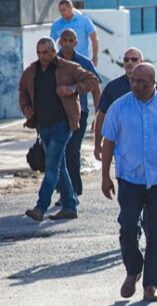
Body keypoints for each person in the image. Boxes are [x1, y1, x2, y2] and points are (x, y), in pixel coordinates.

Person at [100, 63, 157, 302]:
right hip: (129, 179)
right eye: (133, 81)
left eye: (143, 82)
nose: (137, 86)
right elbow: (108, 142)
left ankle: (150, 284)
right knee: (128, 227)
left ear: (154, 82)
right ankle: (134, 269)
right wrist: (105, 176)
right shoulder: (118, 108)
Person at [20, 37, 99, 222]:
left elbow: (92, 81)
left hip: (62, 125)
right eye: (39, 52)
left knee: (51, 164)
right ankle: (70, 205)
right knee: (59, 165)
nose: (42, 56)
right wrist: (26, 109)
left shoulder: (68, 67)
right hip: (42, 126)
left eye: (46, 52)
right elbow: (23, 91)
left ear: (53, 51)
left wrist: (72, 88)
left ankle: (40, 207)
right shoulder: (32, 71)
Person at [94, 47, 157, 161]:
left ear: (141, 62)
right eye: (126, 60)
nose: (130, 63)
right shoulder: (112, 88)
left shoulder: (156, 88)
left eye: (134, 59)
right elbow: (101, 117)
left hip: (151, 149)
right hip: (124, 150)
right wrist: (97, 144)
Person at [57, 29, 101, 201]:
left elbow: (96, 88)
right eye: (64, 40)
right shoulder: (53, 62)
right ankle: (65, 191)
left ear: (76, 43)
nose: (67, 44)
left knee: (72, 151)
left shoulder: (83, 62)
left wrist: (98, 115)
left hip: (78, 115)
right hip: (57, 115)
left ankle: (73, 190)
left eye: (71, 40)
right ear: (60, 42)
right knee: (58, 153)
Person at [50, 0, 99, 67]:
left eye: (64, 10)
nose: (62, 13)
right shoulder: (56, 24)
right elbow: (51, 43)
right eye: (60, 10)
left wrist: (95, 57)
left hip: (82, 62)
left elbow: (94, 39)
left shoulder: (84, 21)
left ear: (71, 8)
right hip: (64, 63)